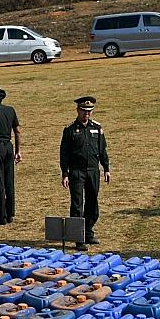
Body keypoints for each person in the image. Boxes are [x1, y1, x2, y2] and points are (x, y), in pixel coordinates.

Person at [59, 95, 110, 250]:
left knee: (92, 202)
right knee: (77, 205)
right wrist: (65, 173)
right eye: (83, 111)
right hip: (76, 171)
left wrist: (106, 168)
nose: (86, 114)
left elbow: (102, 150)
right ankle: (78, 238)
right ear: (77, 110)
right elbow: (64, 153)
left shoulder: (97, 128)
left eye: (89, 111)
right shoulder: (70, 130)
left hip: (93, 171)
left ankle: (88, 232)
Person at [0, 87, 22, 225]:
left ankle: (1, 216)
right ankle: (10, 213)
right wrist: (18, 150)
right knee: (9, 181)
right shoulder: (10, 110)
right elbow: (17, 131)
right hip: (9, 147)